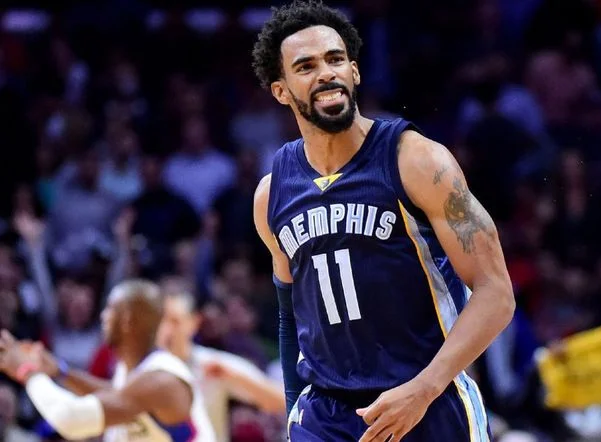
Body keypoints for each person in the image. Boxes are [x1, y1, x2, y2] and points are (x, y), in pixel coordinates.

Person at [251, 1, 515, 441]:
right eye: (306, 66)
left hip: (428, 401)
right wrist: (294, 407)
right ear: (281, 90)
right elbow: (289, 315)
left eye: (335, 59)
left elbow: (496, 292)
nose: (326, 73)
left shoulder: (418, 161)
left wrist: (425, 388)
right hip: (326, 416)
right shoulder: (271, 193)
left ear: (354, 71)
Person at [0, 280, 215, 442]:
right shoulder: (134, 370)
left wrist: (26, 371)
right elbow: (117, 394)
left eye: (110, 308)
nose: (103, 316)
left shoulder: (161, 380)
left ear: (127, 320)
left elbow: (71, 420)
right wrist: (59, 371)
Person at [156, 290, 285, 442]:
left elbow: (279, 401)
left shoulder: (213, 364)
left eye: (174, 321)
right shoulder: (145, 367)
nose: (166, 330)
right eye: (161, 321)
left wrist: (234, 376)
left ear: (194, 322)